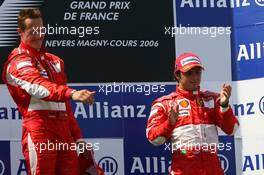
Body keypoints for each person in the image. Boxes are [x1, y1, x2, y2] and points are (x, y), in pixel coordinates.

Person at [2, 8, 102, 175]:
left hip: (64, 130)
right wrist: (72, 93)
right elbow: (38, 86)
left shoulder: (55, 61)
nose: (39, 35)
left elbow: (65, 106)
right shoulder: (17, 61)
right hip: (40, 128)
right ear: (20, 32)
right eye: (33, 31)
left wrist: (78, 138)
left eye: (41, 30)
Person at [146, 52, 239, 175]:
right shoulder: (165, 104)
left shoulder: (213, 99)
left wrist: (224, 106)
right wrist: (169, 123)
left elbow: (231, 130)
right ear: (178, 75)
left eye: (198, 72)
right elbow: (154, 139)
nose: (195, 77)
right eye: (189, 73)